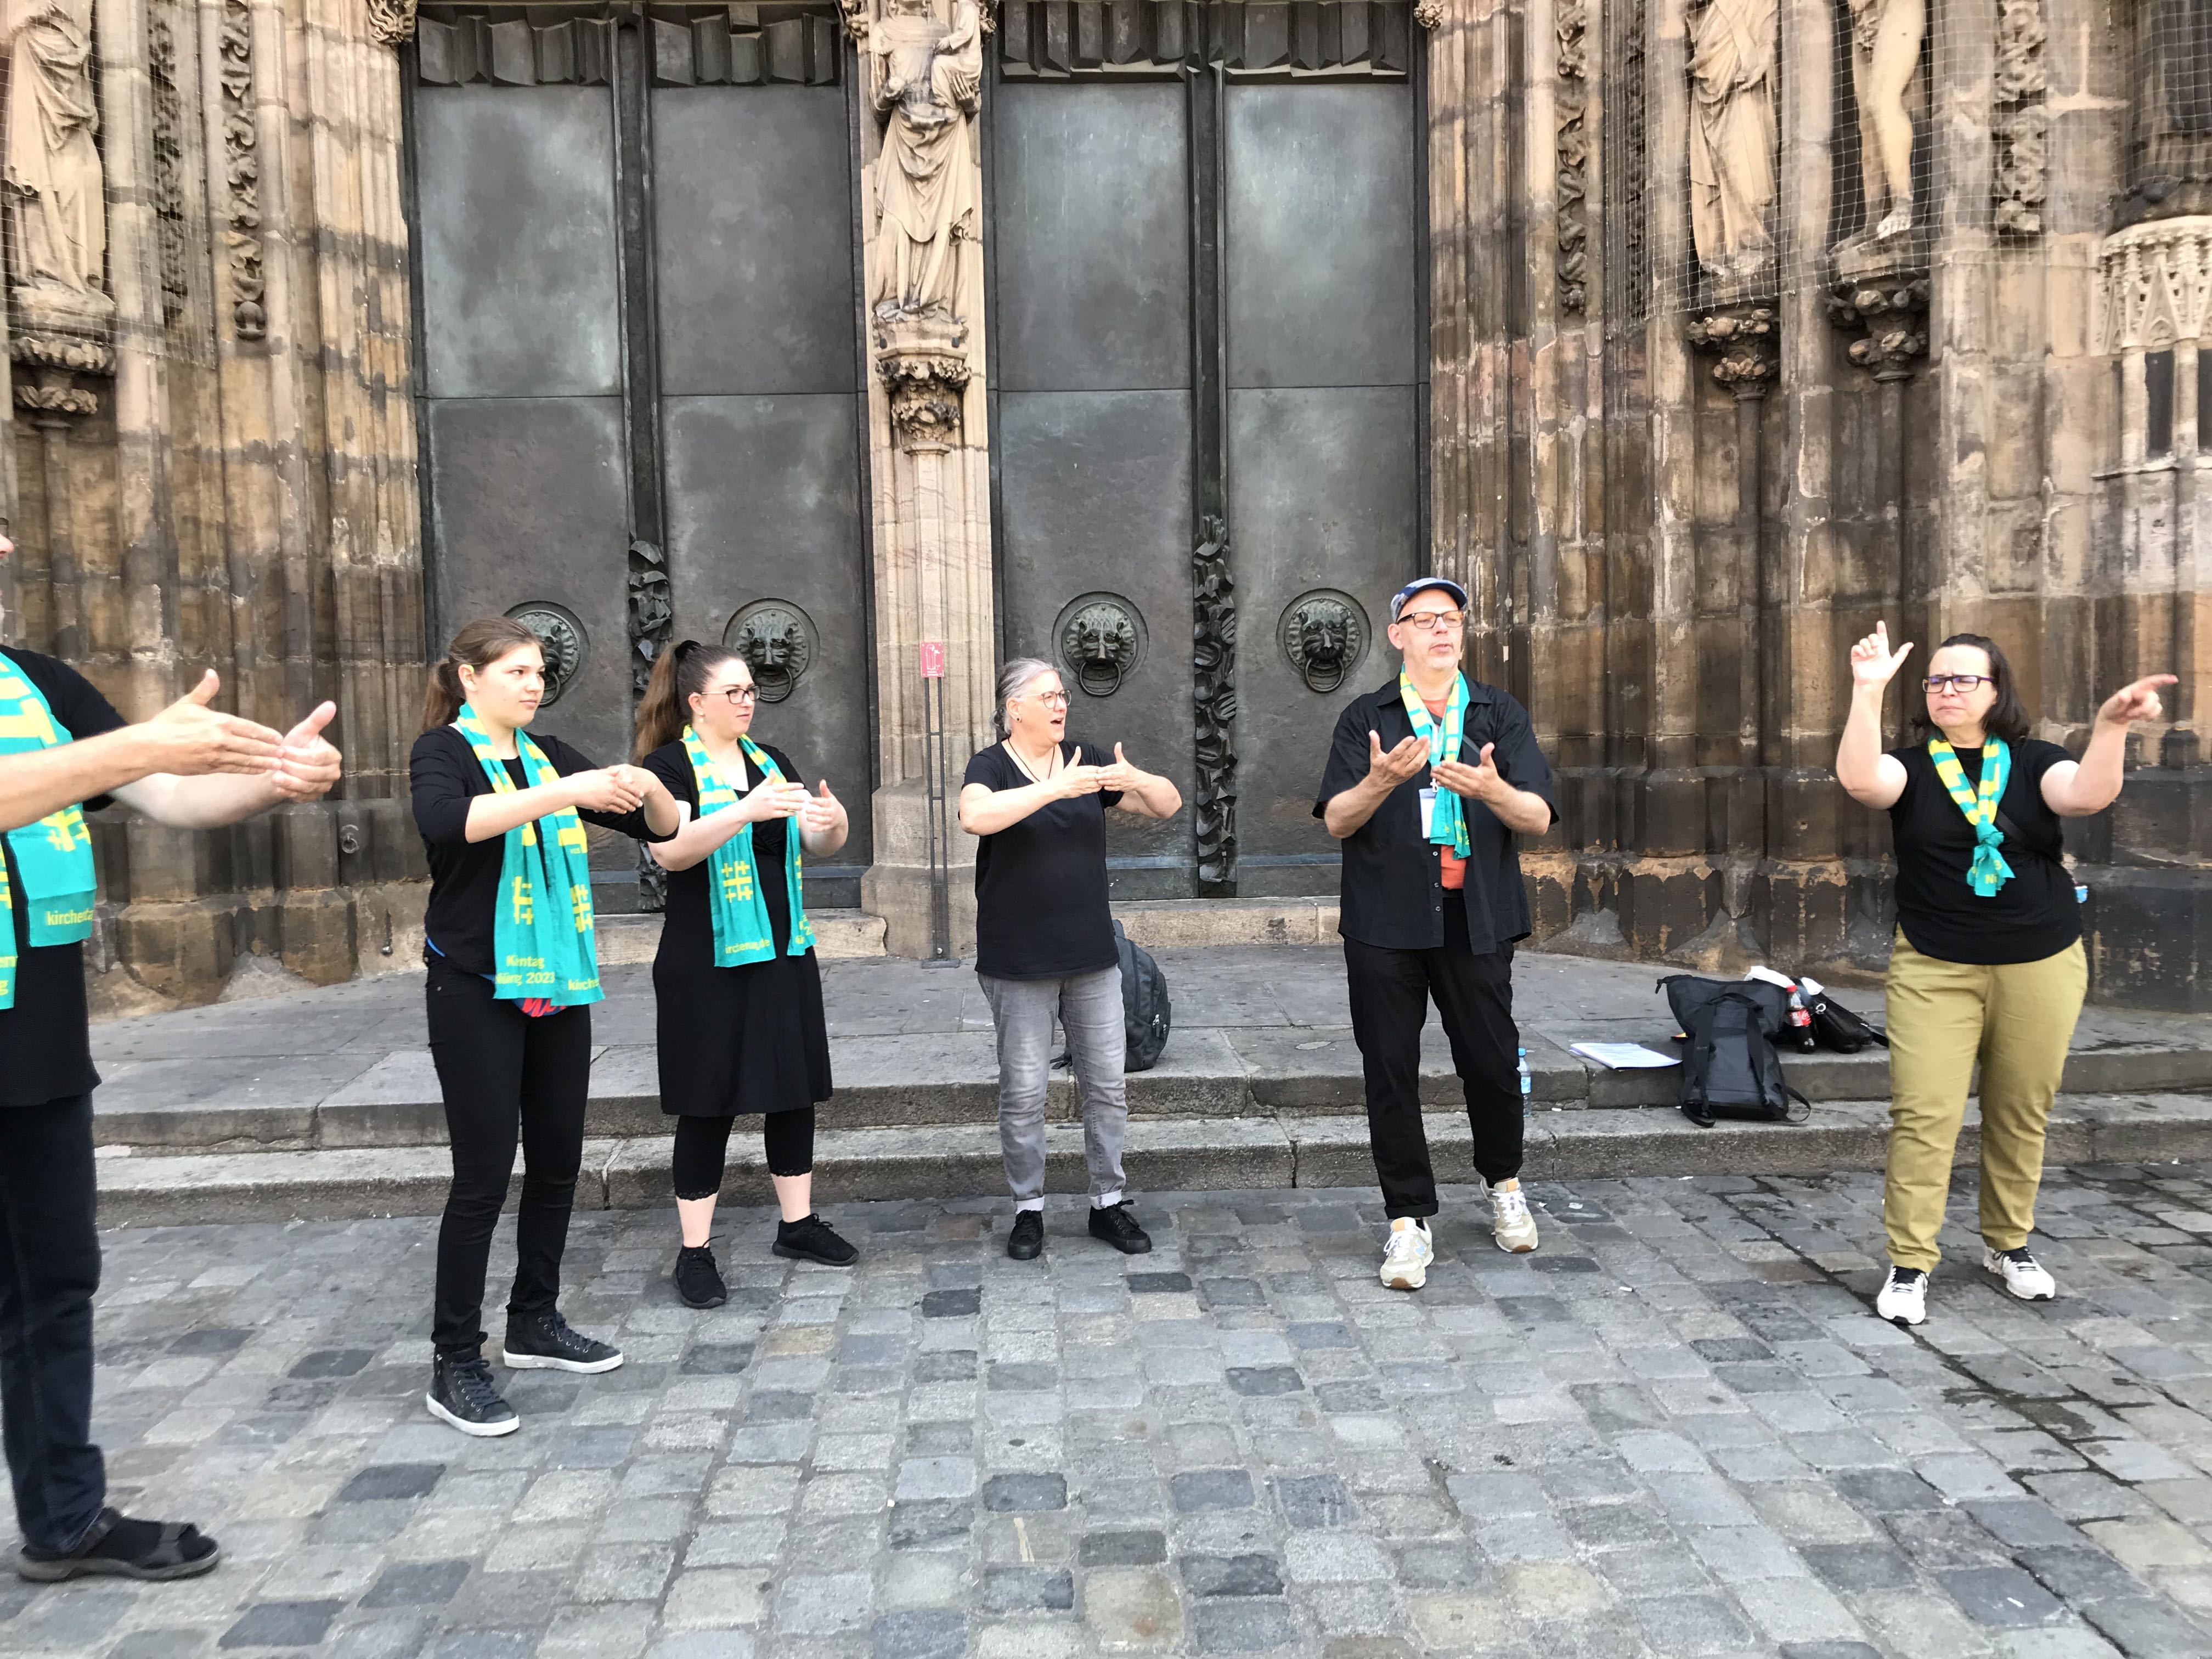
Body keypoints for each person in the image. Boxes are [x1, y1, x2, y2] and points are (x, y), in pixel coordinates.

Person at [0, 536, 342, 1582]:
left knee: (54, 1285)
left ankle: (63, 1518)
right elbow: (127, 761)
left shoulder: (34, 680)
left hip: (33, 1043)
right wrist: (145, 741)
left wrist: (275, 780)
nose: (11, 540)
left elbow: (172, 794)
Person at [1836, 623, 2174, 1328]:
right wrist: (1867, 693)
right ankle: (1909, 1261)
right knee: (1925, 1114)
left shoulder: (2032, 761)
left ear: (1997, 691)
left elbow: (2084, 796)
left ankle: (2008, 1246)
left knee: (2021, 1111)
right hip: (1935, 963)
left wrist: (2110, 728)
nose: (1947, 690)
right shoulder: (1913, 766)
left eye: (1964, 679)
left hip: (2041, 960)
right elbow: (1862, 781)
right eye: (1935, 680)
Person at [409, 618, 682, 1435]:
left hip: (559, 985)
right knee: (483, 1178)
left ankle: (535, 1319)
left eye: (539, 673)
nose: (533, 685)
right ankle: (454, 1358)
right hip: (476, 988)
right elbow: (449, 824)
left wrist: (649, 788)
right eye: (517, 672)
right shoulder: (443, 753)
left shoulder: (552, 753)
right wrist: (569, 791)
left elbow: (662, 830)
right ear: (469, 678)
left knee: (559, 1160)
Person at [1317, 578, 1558, 1291]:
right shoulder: (1367, 717)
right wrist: (1380, 782)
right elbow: (1336, 819)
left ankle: (1504, 1183)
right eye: (1423, 620)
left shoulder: (1497, 714)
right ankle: (1406, 1221)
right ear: (1398, 636)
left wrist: (1491, 792)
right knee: (1389, 1071)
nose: (1440, 632)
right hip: (1385, 924)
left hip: (1475, 919)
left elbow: (1538, 817)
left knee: (1489, 1062)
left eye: (1450, 619)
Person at [634, 640, 855, 1308]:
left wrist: (832, 824)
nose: (747, 701)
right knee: (710, 1098)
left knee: (793, 1088)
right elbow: (670, 853)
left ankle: (797, 1223)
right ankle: (694, 1250)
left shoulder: (771, 761)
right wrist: (742, 809)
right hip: (705, 957)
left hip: (782, 947)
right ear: (696, 703)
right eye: (733, 692)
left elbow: (811, 844)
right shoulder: (666, 767)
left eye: (752, 690)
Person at [957, 658, 1181, 1261]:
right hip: (1017, 960)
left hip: (1091, 955)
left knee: (1106, 1086)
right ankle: (1028, 1209)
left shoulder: (1083, 756)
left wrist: (1135, 776)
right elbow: (975, 816)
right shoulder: (993, 764)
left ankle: (1108, 1204)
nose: (1060, 705)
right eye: (1047, 696)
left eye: (1063, 695)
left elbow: (1167, 805)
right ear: (1015, 708)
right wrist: (1055, 788)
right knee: (1025, 1090)